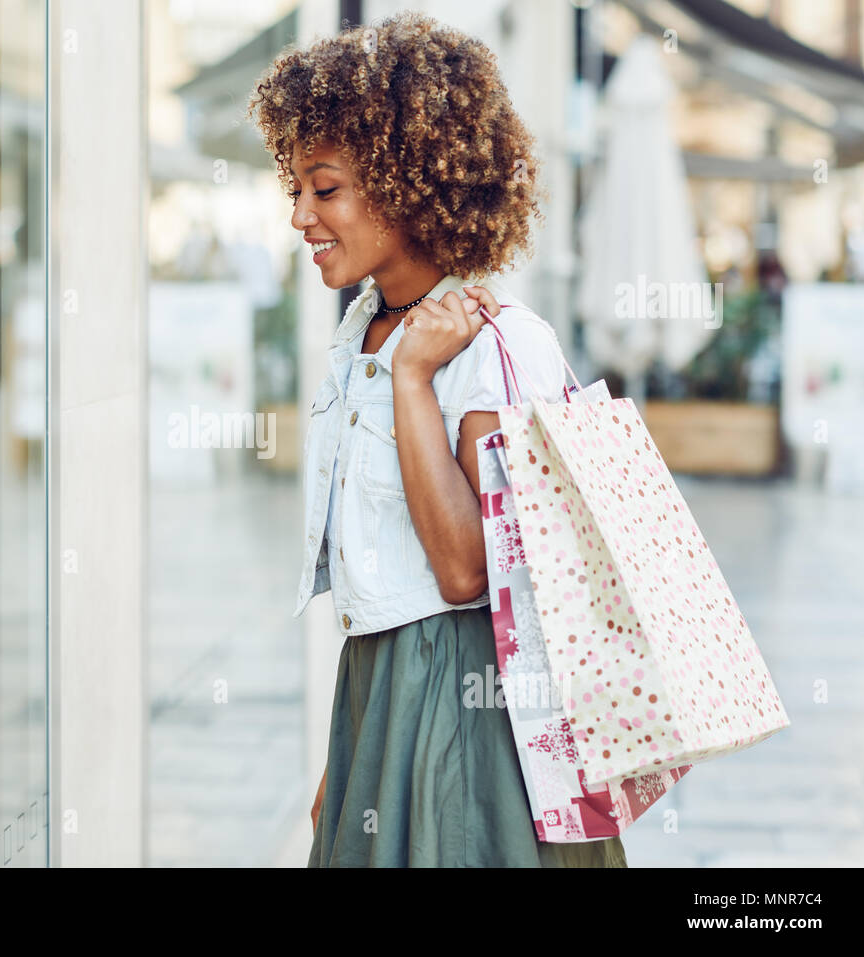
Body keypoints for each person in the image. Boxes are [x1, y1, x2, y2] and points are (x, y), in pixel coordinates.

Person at [248, 11, 627, 867]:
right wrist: (345, 762)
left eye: (326, 187)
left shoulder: (491, 345)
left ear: (405, 181)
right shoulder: (362, 334)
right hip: (380, 690)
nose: (302, 215)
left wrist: (415, 380)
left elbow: (464, 568)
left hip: (465, 710)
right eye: (295, 188)